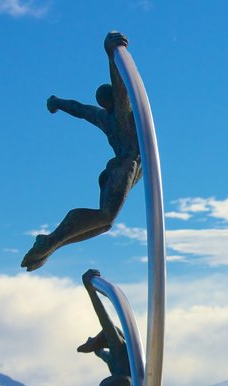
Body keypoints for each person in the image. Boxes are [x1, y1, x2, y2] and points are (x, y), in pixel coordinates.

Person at [21, 31, 142, 272]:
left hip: (117, 168)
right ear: (114, 102)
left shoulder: (103, 116)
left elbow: (78, 109)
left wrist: (57, 102)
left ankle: (52, 243)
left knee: (103, 223)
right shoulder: (121, 116)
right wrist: (111, 55)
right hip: (126, 165)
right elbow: (122, 87)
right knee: (106, 217)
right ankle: (51, 241)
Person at [2, 269, 133, 386]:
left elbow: (101, 353)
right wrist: (90, 290)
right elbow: (105, 319)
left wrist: (95, 349)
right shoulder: (120, 346)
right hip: (119, 385)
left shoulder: (113, 354)